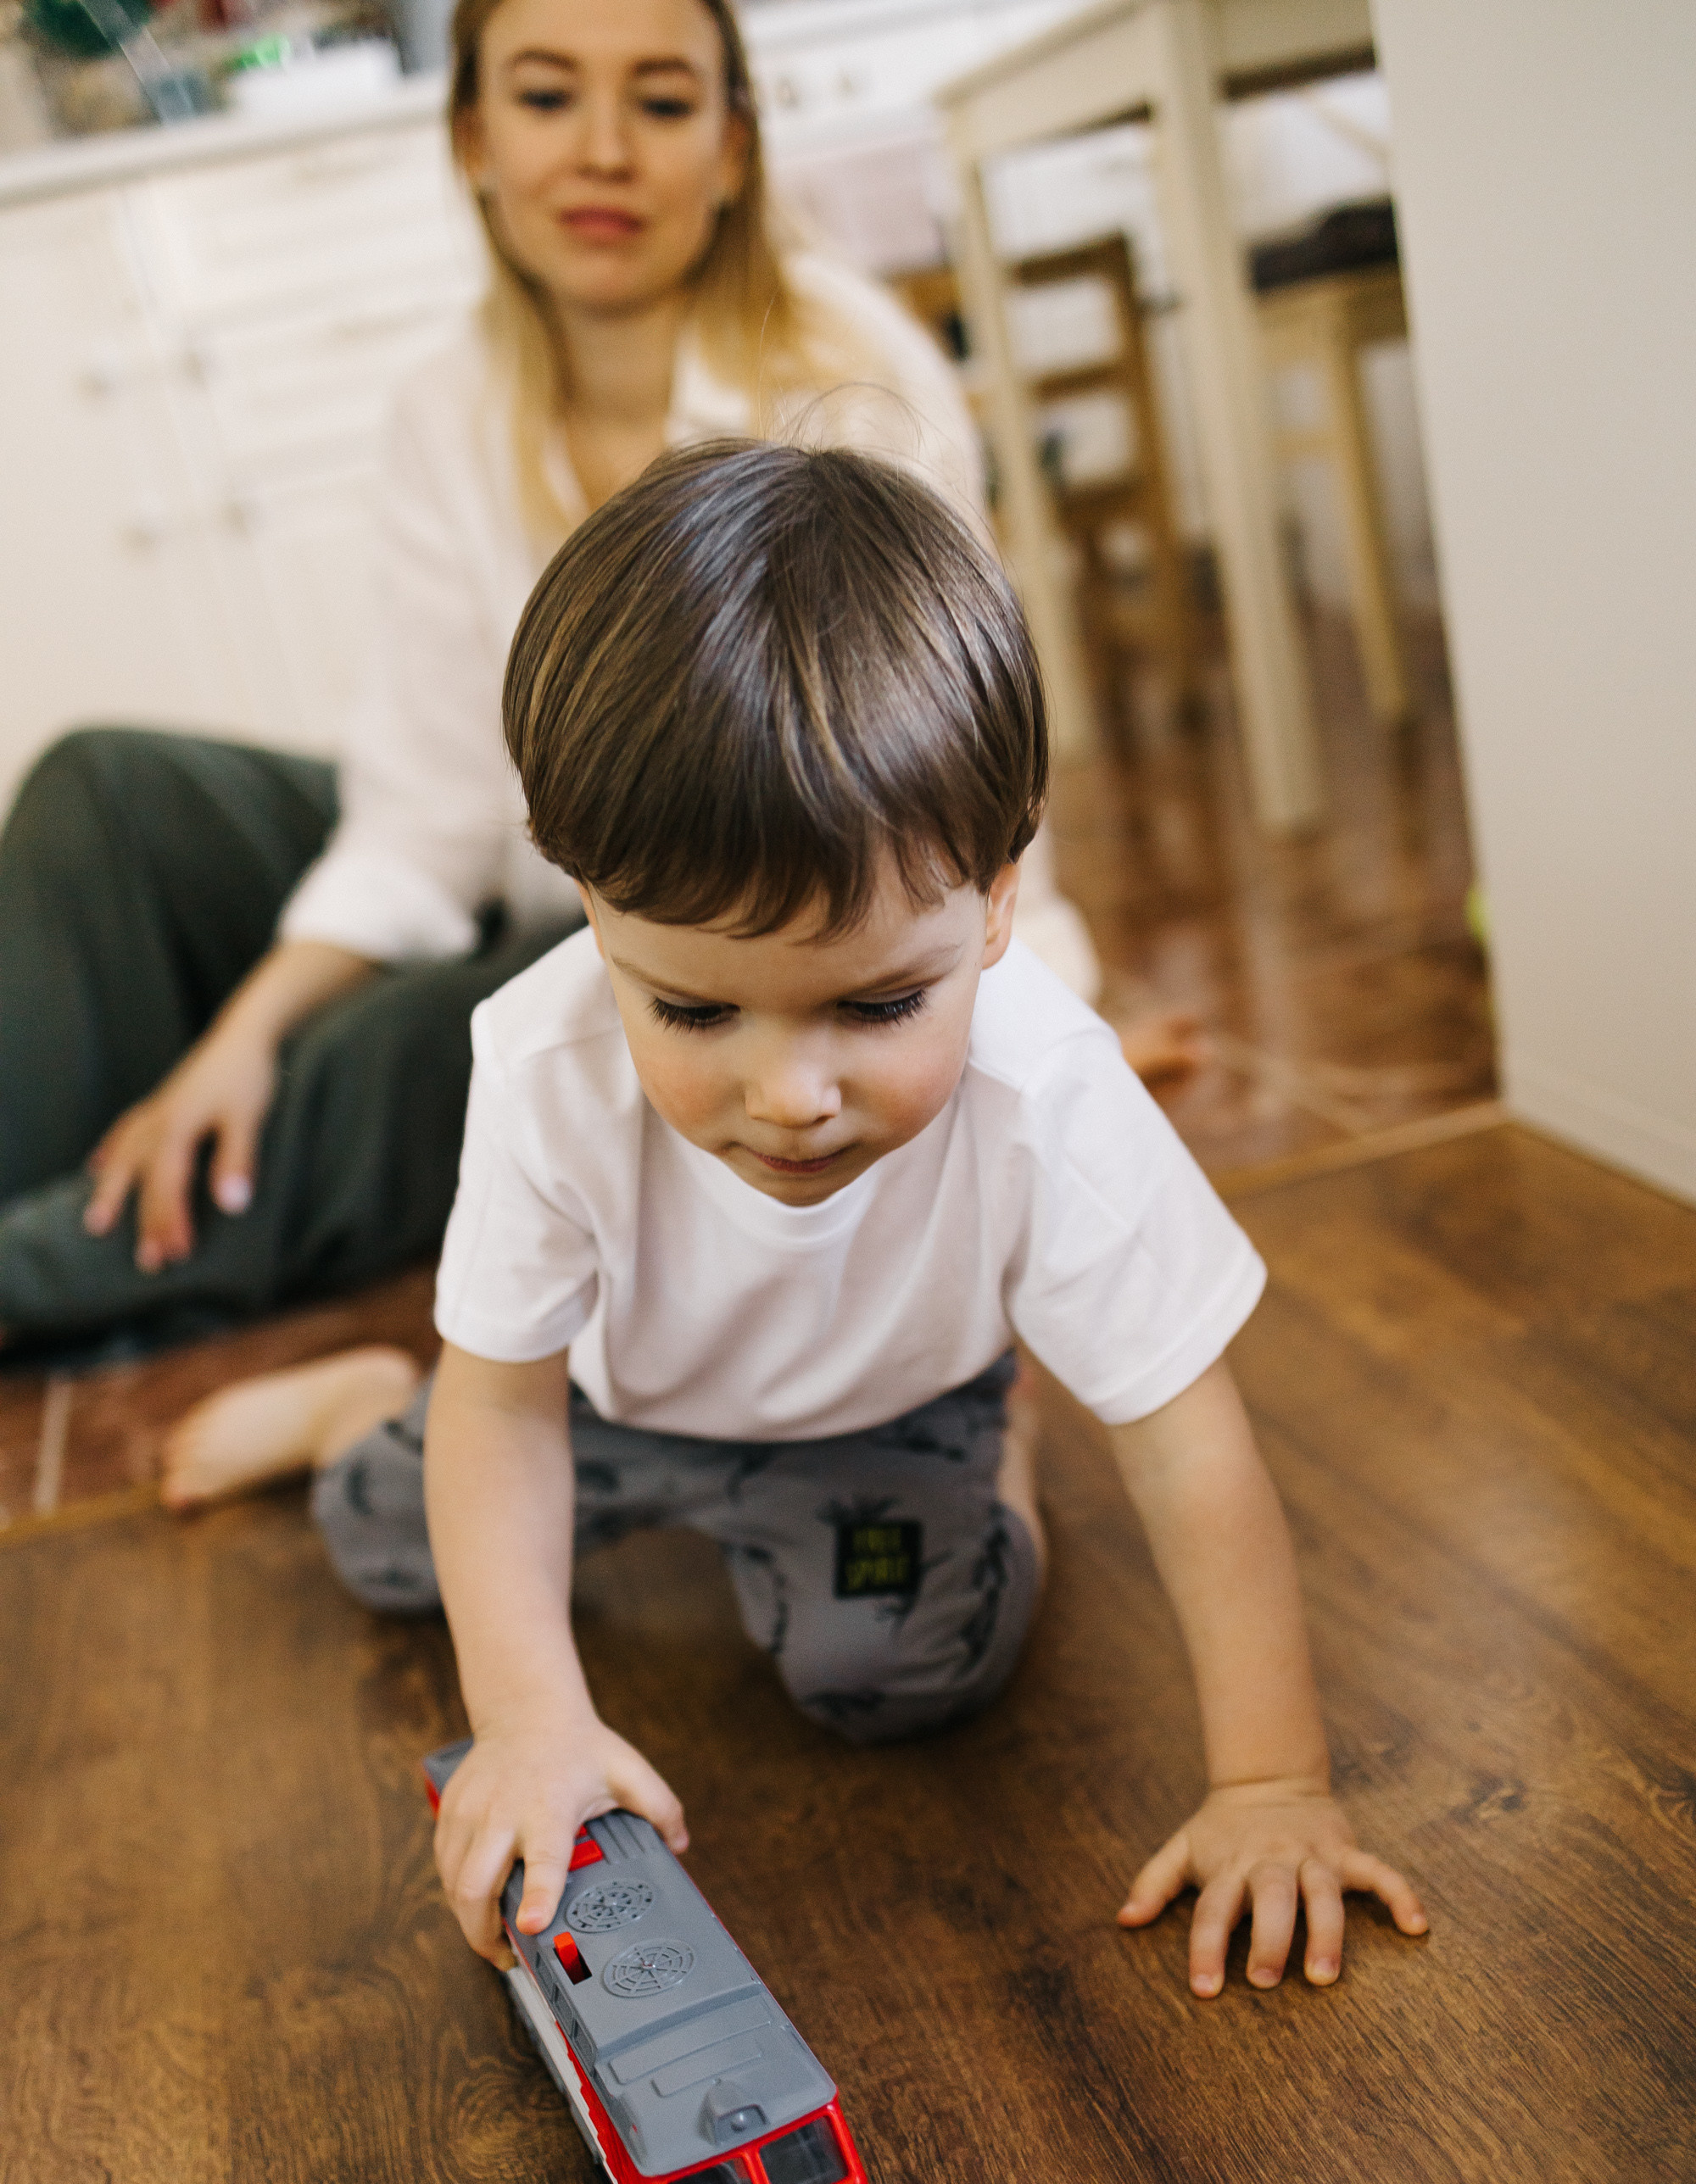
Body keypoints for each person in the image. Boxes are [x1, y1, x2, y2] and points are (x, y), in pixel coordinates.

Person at [198, 439, 1425, 1998]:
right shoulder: (540, 1057)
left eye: (878, 1004)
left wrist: (1271, 1787)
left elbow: (1192, 1444)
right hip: (606, 1407)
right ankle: (362, 1404)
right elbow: (504, 1418)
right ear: (592, 910)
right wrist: (534, 1722)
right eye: (697, 1009)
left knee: (901, 1673)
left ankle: (1006, 1440)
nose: (790, 1095)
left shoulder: (1048, 1089)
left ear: (993, 897)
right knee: (385, 1534)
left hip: (888, 1413)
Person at [0, 0, 1197, 1362]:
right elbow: (427, 814)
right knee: (101, 790)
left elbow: (957, 776)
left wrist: (1036, 1047)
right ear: (475, 139)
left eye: (665, 103)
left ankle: (42, 1268)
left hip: (687, 925)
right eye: (550, 97)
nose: (605, 152)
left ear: (735, 146)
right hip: (516, 868)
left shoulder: (851, 371)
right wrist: (247, 1025)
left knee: (479, 1028)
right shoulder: (443, 409)